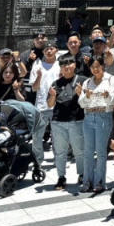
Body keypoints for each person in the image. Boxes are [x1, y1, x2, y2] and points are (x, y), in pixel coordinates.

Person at [78, 56, 114, 193]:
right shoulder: (87, 82)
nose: (95, 69)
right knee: (88, 151)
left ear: (103, 66)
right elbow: (81, 103)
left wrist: (107, 95)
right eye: (92, 67)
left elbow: (113, 101)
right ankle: (87, 181)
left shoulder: (111, 80)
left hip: (103, 116)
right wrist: (87, 96)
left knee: (101, 151)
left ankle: (99, 182)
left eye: (97, 66)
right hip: (88, 116)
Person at [47, 55, 86, 191]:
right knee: (60, 152)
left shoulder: (83, 80)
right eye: (63, 65)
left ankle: (82, 174)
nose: (67, 67)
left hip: (77, 120)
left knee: (79, 150)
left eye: (69, 64)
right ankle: (61, 177)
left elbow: (88, 102)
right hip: (58, 121)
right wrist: (52, 95)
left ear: (74, 65)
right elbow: (50, 104)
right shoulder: (56, 84)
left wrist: (81, 94)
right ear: (60, 68)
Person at [30, 40, 61, 165]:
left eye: (51, 49)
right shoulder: (37, 65)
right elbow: (34, 88)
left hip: (57, 106)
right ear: (43, 51)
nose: (49, 51)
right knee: (37, 136)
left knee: (58, 137)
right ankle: (38, 160)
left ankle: (58, 159)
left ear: (56, 50)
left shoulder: (61, 65)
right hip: (41, 106)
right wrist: (38, 76)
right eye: (46, 49)